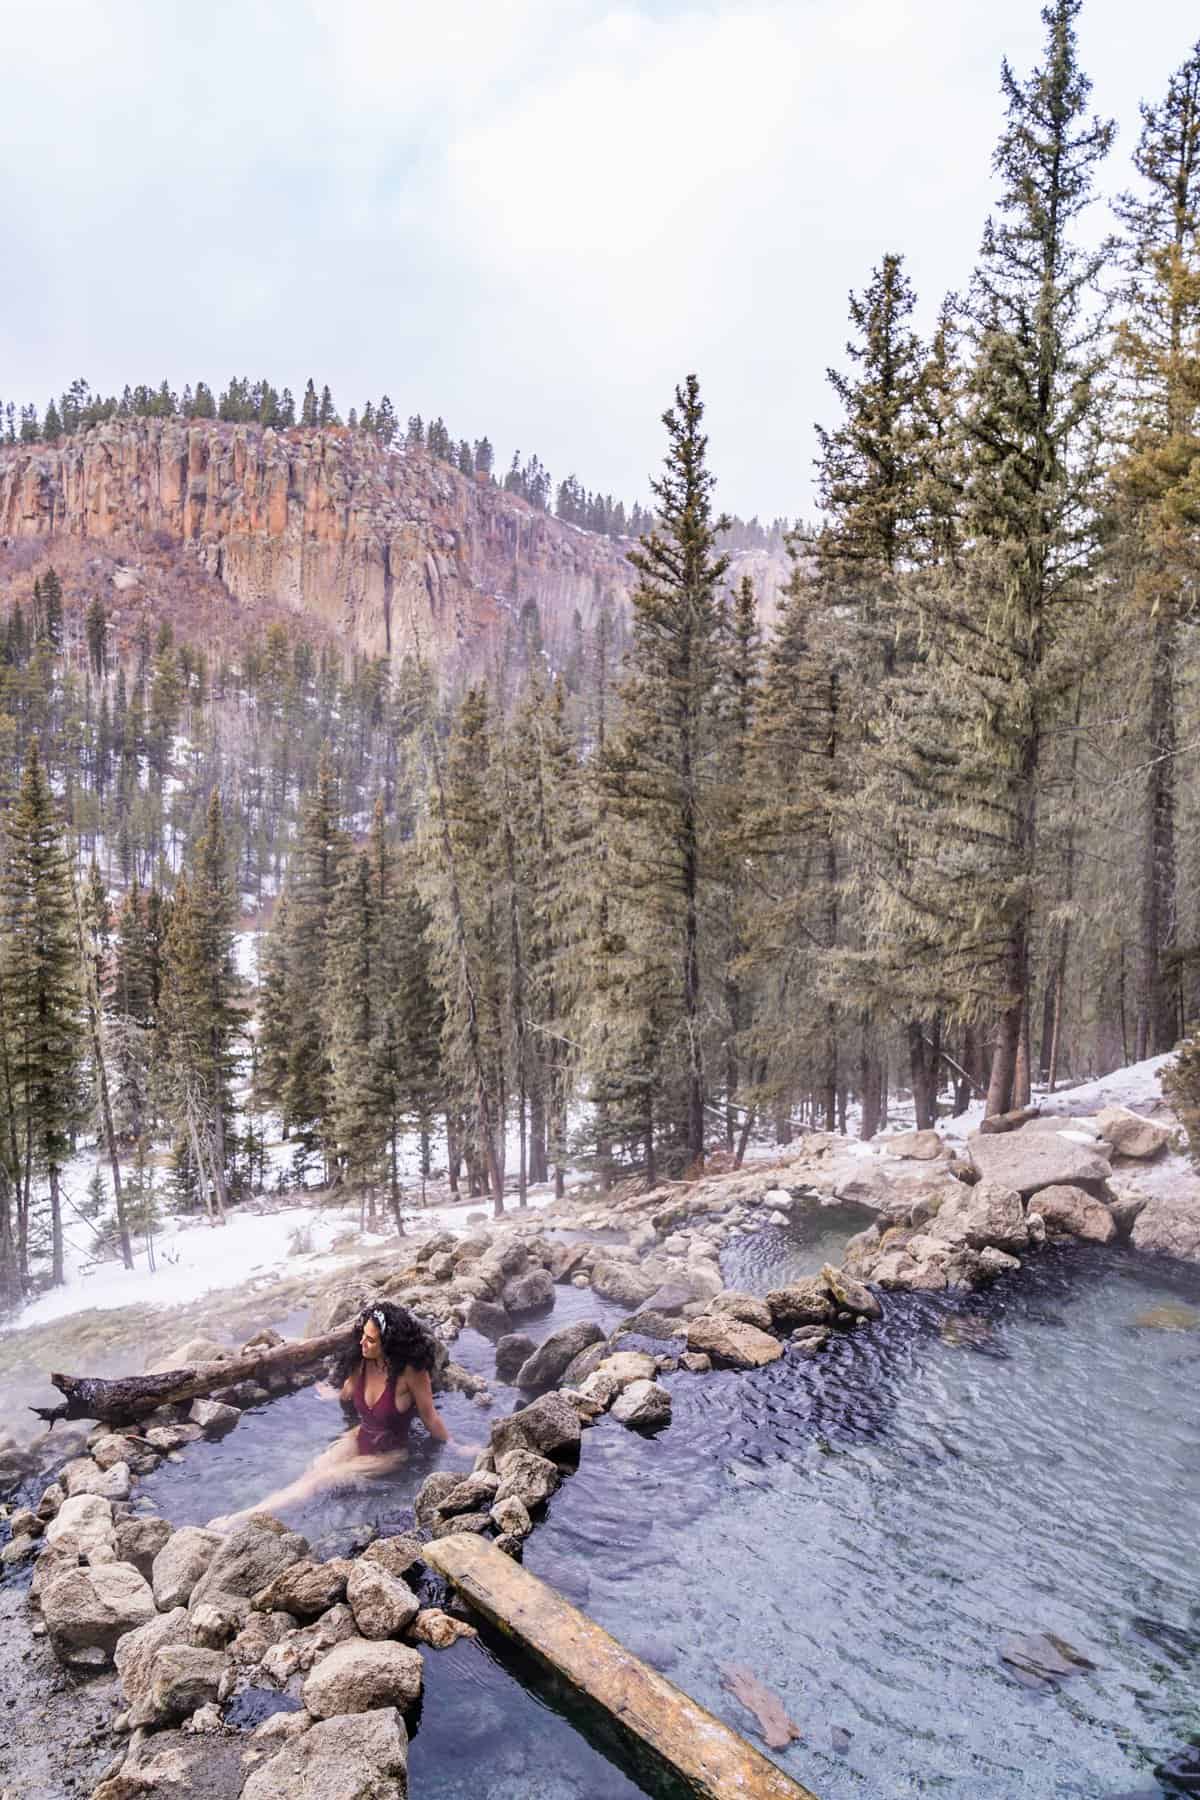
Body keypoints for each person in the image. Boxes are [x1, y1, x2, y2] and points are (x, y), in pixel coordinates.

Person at [208, 1301, 451, 1529]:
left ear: (388, 1343)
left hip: (390, 1453)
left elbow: (430, 1417)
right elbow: (347, 1394)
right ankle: (261, 1514)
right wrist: (329, 1395)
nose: (362, 1344)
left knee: (324, 1479)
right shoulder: (363, 1362)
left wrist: (453, 1447)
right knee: (314, 1470)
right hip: (360, 1436)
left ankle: (240, 1520)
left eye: (371, 1340)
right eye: (363, 1336)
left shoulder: (411, 1372)